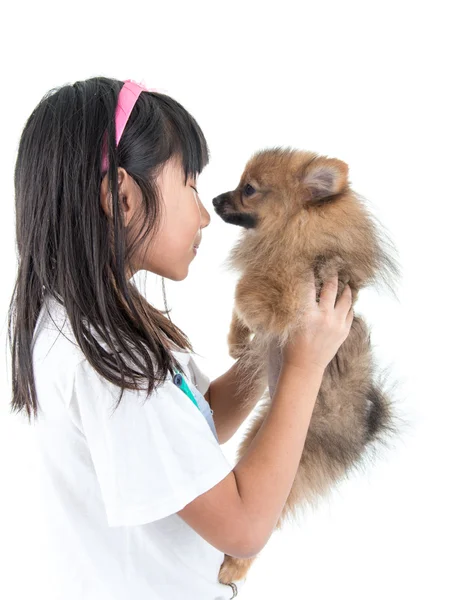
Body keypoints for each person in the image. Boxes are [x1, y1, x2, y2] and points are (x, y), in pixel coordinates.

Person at [8, 77, 354, 600]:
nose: (204, 214)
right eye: (190, 184)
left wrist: (278, 345)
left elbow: (199, 422)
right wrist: (303, 369)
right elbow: (243, 528)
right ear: (121, 197)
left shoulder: (96, 327)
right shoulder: (104, 362)